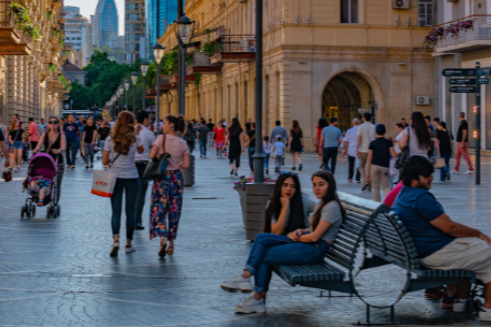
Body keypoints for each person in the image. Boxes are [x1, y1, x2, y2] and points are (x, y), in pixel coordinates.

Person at [392, 156, 491, 322]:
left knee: (478, 251)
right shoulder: (420, 197)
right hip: (433, 252)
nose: (431, 178)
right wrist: (477, 232)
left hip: (421, 249)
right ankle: (490, 308)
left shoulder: (404, 194)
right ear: (415, 179)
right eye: (427, 175)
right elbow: (449, 227)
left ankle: (461, 303)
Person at [220, 171, 344, 314]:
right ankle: (254, 294)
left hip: (313, 248)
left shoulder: (330, 206)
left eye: (321, 185)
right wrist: (302, 230)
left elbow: (315, 237)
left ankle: (250, 285)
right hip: (307, 245)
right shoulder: (324, 204)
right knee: (262, 242)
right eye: (315, 185)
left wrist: (297, 236)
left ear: (330, 185)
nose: (317, 188)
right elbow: (312, 229)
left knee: (263, 247)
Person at [103, 111, 144, 257]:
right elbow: (142, 150)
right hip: (132, 177)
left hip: (115, 178)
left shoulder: (110, 139)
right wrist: (137, 133)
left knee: (116, 211)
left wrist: (113, 161)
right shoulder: (136, 138)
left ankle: (115, 240)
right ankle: (128, 243)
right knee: (130, 212)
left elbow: (104, 161)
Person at [149, 114, 190, 258]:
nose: (162, 126)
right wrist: (177, 164)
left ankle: (162, 238)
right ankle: (171, 244)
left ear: (171, 125)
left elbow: (151, 155)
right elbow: (186, 165)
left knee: (159, 208)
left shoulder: (161, 139)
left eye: (164, 123)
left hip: (162, 178)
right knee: (174, 210)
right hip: (176, 178)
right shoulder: (182, 143)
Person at [33, 116, 66, 200]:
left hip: (58, 162)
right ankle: (45, 197)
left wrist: (58, 150)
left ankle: (55, 202)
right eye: (51, 122)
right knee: (46, 181)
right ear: (48, 124)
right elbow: (39, 145)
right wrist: (36, 149)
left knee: (57, 183)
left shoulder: (61, 136)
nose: (53, 124)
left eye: (55, 122)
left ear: (58, 124)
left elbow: (63, 148)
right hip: (47, 162)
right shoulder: (45, 135)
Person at [134, 110, 155, 231]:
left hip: (130, 165)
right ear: (145, 119)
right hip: (144, 165)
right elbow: (155, 149)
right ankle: (137, 220)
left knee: (132, 194)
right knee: (141, 194)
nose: (150, 120)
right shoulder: (148, 133)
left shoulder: (131, 131)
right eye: (149, 118)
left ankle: (131, 219)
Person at [365, 124, 397, 202]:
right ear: (385, 132)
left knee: (375, 187)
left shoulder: (372, 143)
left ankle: (377, 205)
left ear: (376, 132)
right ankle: (389, 204)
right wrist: (401, 151)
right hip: (385, 166)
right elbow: (394, 155)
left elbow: (369, 158)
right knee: (386, 187)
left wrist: (367, 171)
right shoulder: (388, 142)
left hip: (374, 166)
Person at [357, 112, 376, 185]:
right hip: (372, 150)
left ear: (364, 118)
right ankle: (370, 182)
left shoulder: (360, 127)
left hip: (363, 150)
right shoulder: (374, 127)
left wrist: (356, 149)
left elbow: (359, 139)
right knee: (371, 167)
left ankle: (365, 181)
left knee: (361, 166)